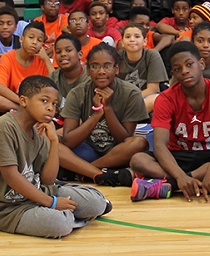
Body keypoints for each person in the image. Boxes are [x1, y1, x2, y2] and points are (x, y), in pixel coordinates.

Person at [0, 75, 112, 238]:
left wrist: (54, 143)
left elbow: (48, 180)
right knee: (59, 225)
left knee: (96, 204)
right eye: (44, 101)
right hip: (11, 209)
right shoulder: (2, 129)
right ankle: (66, 216)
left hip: (40, 191)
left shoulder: (39, 132)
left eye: (54, 104)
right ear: (23, 101)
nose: (51, 108)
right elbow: (11, 177)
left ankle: (69, 214)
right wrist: (53, 203)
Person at [128, 42, 210, 201]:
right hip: (178, 156)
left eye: (189, 64)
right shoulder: (165, 99)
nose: (184, 71)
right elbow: (159, 145)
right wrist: (180, 175)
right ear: (173, 73)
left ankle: (167, 186)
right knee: (138, 160)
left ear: (201, 64)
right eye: (177, 69)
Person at [58, 44, 150, 186]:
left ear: (117, 69)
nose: (101, 71)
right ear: (88, 70)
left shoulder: (131, 93)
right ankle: (102, 173)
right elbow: (69, 141)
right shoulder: (77, 93)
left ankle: (85, 172)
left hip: (116, 153)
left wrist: (107, 108)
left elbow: (124, 139)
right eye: (95, 66)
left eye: (107, 66)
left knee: (139, 143)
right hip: (87, 150)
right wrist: (96, 114)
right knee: (50, 141)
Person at [0, 23, 53, 113]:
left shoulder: (42, 60)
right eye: (31, 37)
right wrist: (23, 102)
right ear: (21, 39)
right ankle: (25, 111)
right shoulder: (8, 57)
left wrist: (46, 60)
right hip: (15, 102)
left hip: (36, 104)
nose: (34, 42)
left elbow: (55, 86)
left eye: (39, 40)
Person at [117, 23, 168, 111]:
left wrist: (130, 101)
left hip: (144, 99)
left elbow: (152, 89)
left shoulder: (152, 55)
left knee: (155, 99)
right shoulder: (117, 57)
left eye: (137, 36)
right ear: (122, 43)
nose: (132, 39)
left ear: (145, 41)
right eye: (128, 37)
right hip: (122, 101)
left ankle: (127, 117)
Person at [49, 34, 89, 120]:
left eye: (68, 50)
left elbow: (88, 118)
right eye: (58, 52)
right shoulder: (52, 78)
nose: (63, 54)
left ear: (80, 54)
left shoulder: (90, 78)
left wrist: (54, 133)